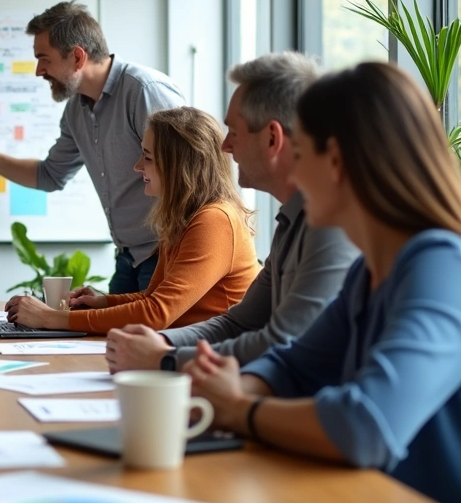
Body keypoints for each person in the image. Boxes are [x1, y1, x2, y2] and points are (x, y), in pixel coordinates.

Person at [186, 62, 461, 503]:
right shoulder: (370, 272)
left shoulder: (445, 266)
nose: (293, 170)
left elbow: (366, 424)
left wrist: (237, 407)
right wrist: (235, 385)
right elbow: (293, 364)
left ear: (336, 163)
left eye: (302, 153)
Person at [105, 52, 357, 372]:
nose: (224, 147)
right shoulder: (292, 221)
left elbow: (283, 341)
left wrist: (165, 358)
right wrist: (162, 344)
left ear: (271, 138)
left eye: (234, 132)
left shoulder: (330, 226)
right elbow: (237, 324)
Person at [0, 1, 184, 293]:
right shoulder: (76, 111)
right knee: (107, 336)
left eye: (44, 59)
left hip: (168, 253)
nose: (38, 71)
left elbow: (189, 174)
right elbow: (49, 176)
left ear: (78, 56)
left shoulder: (144, 91)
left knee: (147, 338)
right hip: (130, 256)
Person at [5, 107, 259, 334]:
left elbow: (156, 313)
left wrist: (52, 318)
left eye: (147, 158)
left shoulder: (215, 220)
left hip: (219, 356)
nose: (138, 167)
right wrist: (104, 301)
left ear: (179, 166)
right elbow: (152, 297)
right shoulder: (187, 218)